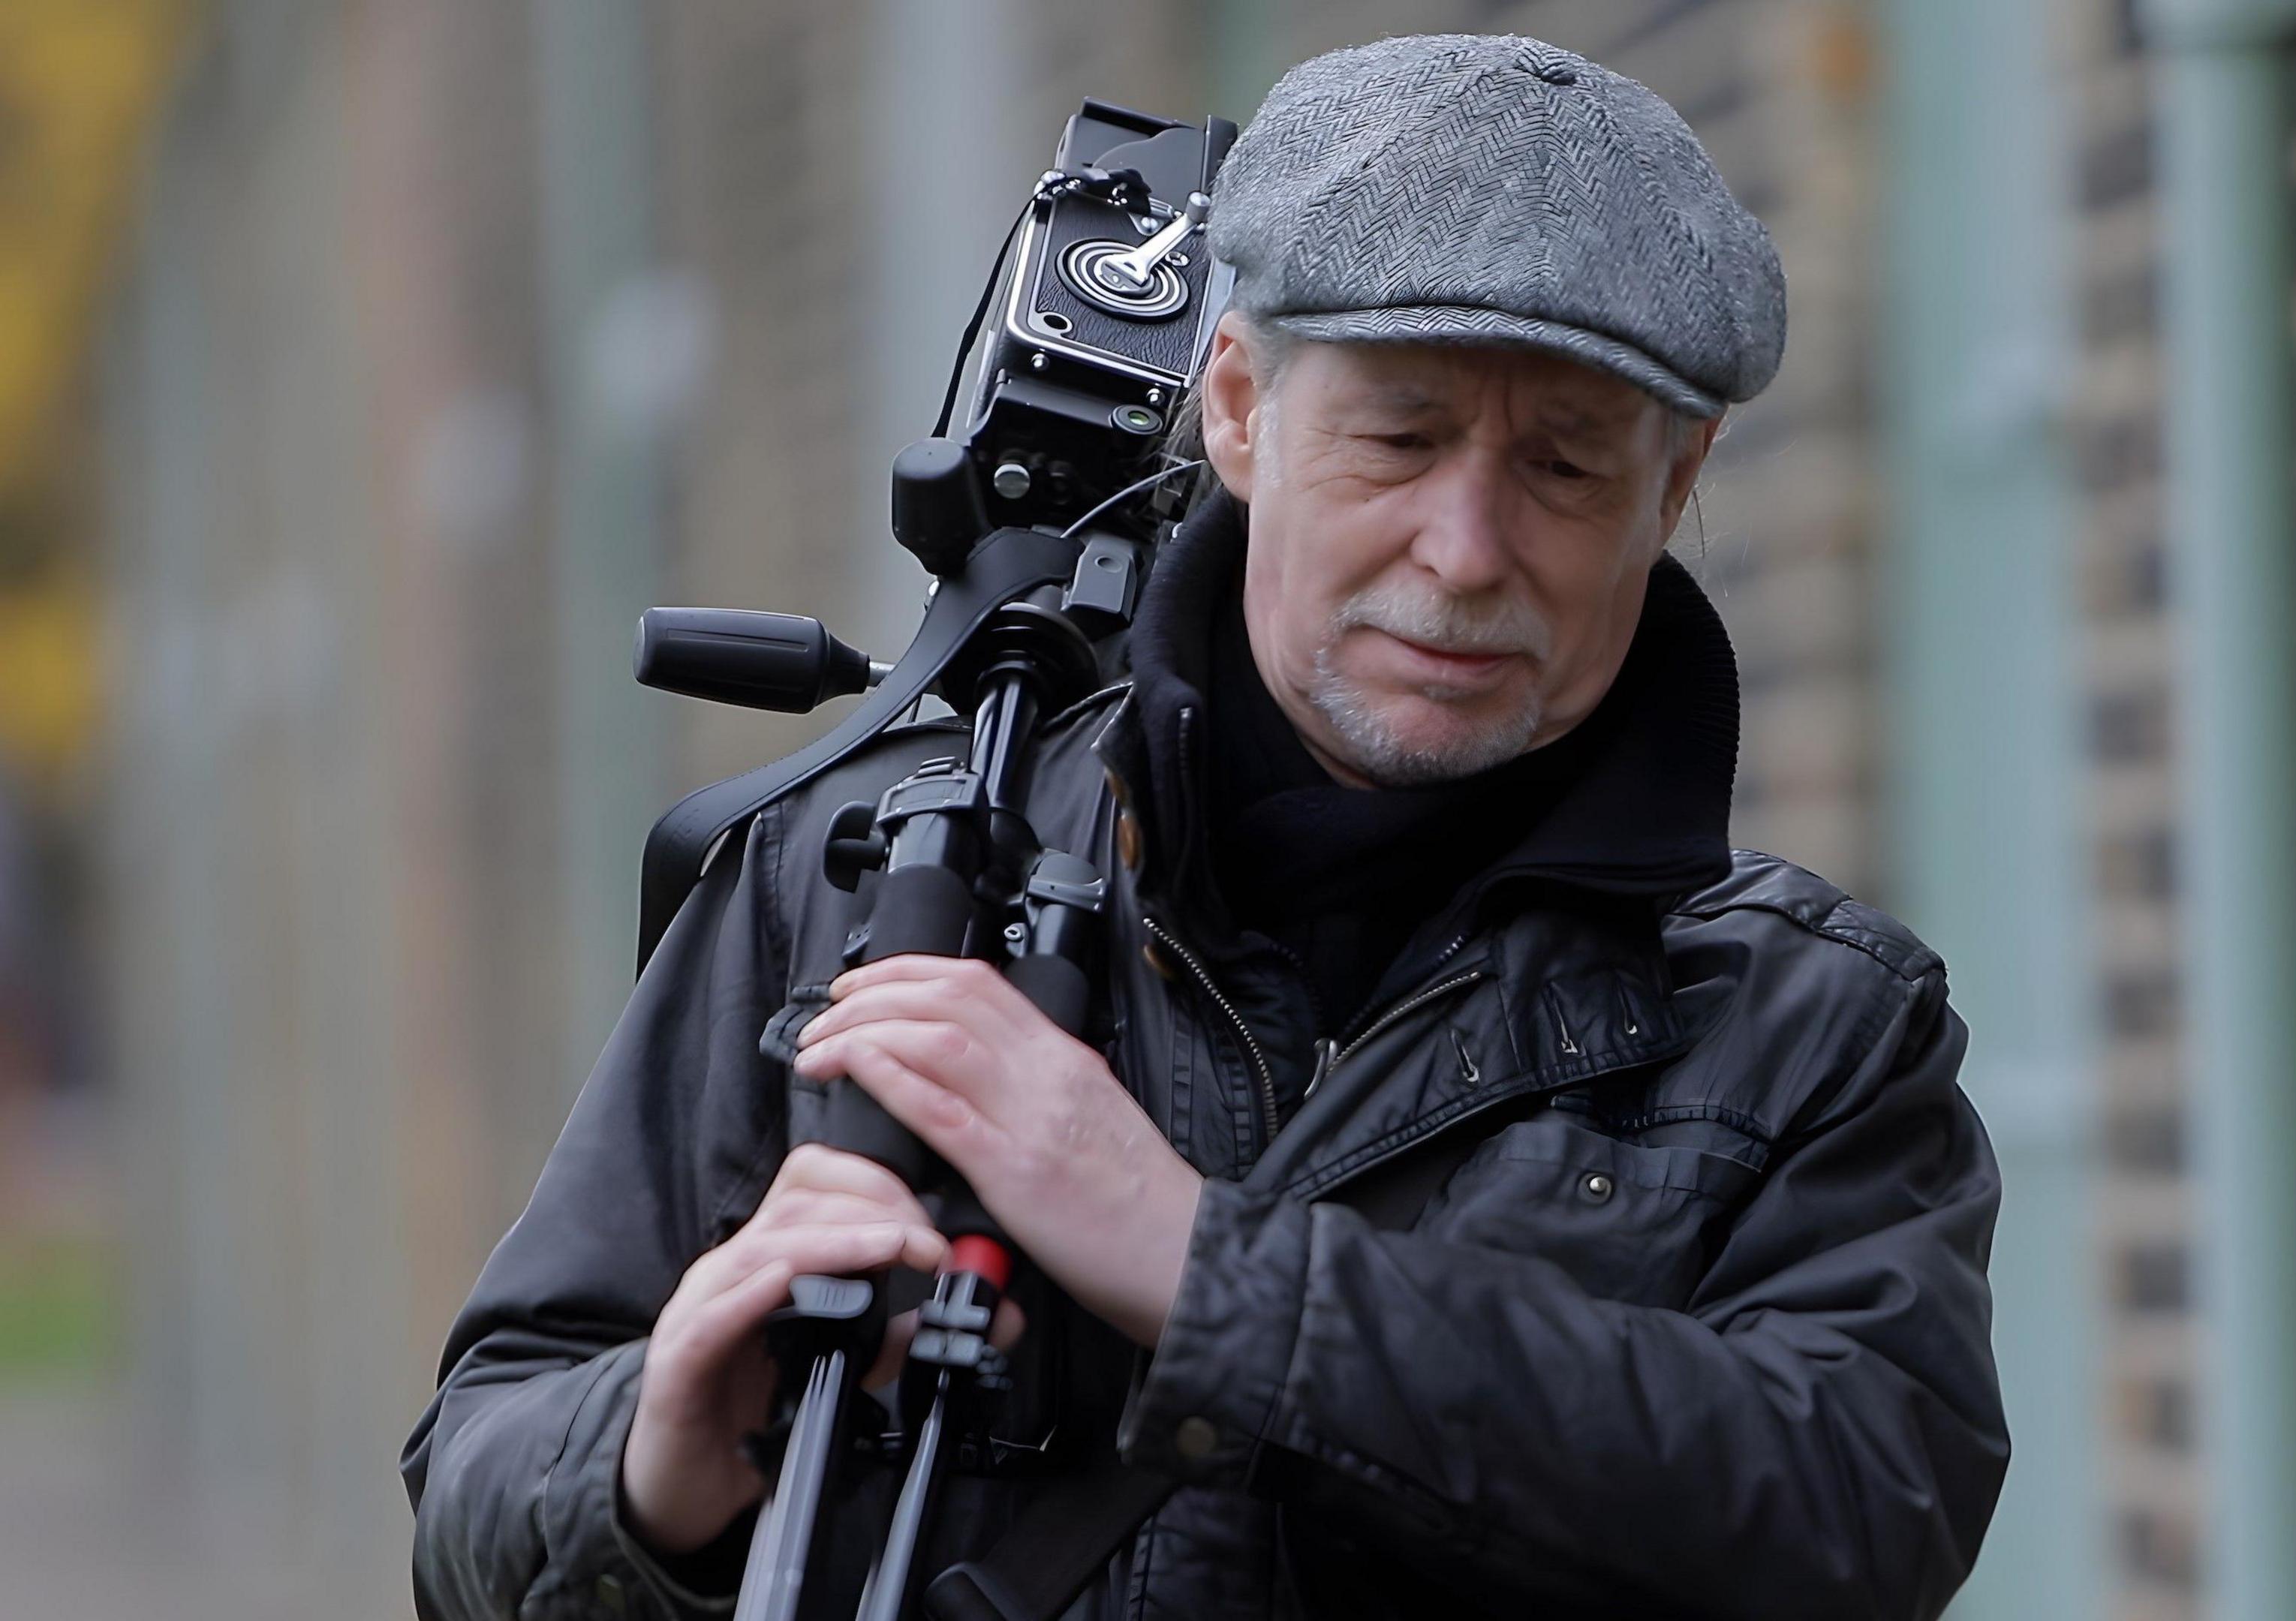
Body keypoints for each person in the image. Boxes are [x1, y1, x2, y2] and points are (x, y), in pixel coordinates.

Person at [405, 32, 2006, 1620]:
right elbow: (478, 1477)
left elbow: (1857, 1508)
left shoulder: (1818, 1028)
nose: (1464, 549)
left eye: (1565, 466)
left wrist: (1200, 1267)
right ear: (1240, 408)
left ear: (1673, 492)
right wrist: (652, 1461)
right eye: (1402, 434)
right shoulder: (860, 882)